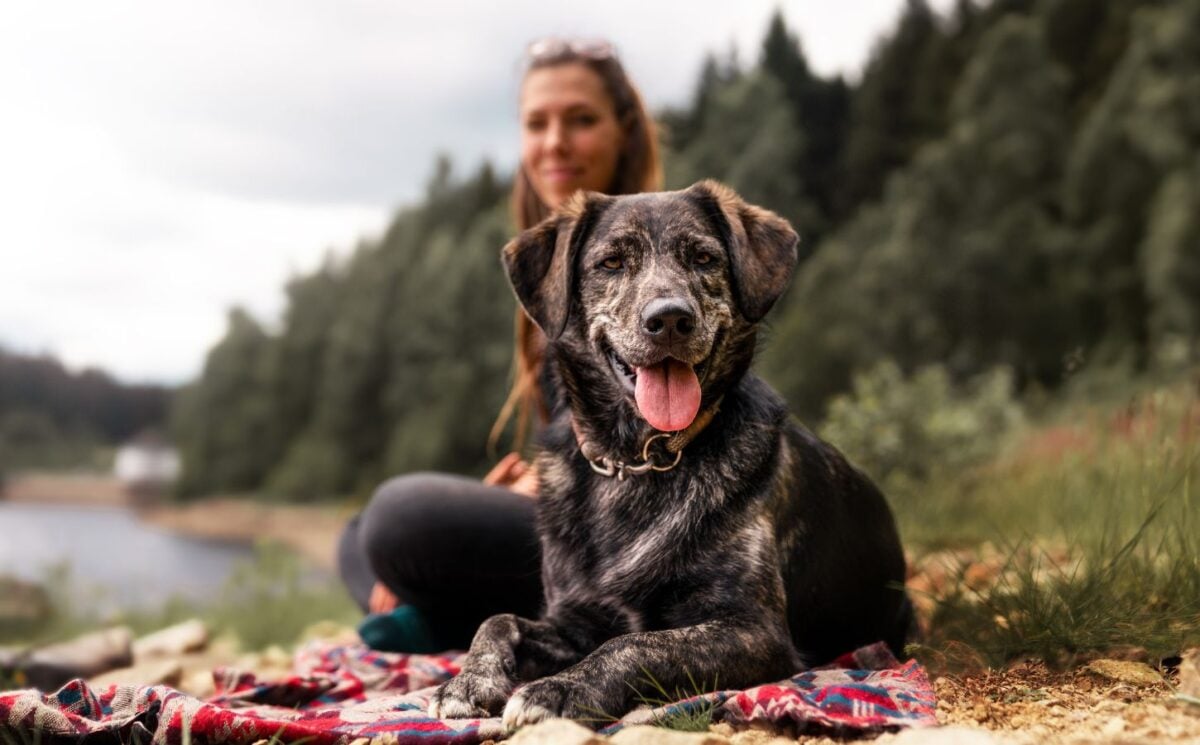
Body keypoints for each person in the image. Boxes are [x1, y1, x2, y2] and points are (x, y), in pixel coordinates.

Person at [336, 38, 662, 652]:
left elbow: (663, 440)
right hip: (574, 511)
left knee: (399, 521)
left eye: (581, 119)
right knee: (356, 534)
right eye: (536, 123)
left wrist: (543, 484)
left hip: (640, 521)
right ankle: (449, 619)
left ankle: (438, 624)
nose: (554, 141)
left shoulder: (654, 260)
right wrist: (521, 488)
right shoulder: (552, 266)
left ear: (625, 131)